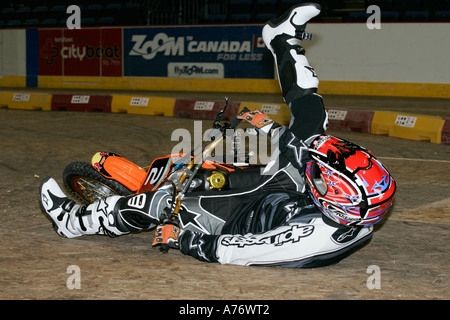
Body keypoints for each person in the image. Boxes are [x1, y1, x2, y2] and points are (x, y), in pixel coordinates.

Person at [39, 3, 396, 268]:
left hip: (236, 219)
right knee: (311, 115)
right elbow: (305, 154)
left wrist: (183, 240)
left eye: (322, 175)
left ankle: (71, 223)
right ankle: (282, 38)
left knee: (158, 203)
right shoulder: (350, 206)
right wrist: (269, 128)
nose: (316, 166)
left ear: (335, 201)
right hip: (286, 198)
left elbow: (232, 250)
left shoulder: (307, 240)